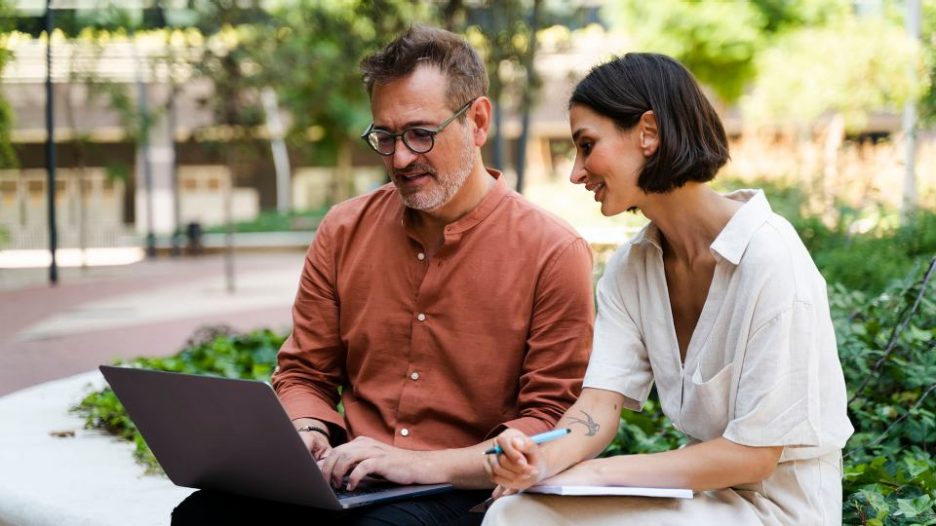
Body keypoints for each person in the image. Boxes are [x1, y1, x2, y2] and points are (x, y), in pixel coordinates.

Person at [171, 25, 594, 526]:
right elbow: (306, 371)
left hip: (462, 488)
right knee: (201, 517)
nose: (400, 158)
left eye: (420, 134)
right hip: (350, 473)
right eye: (385, 137)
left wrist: (421, 466)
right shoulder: (343, 228)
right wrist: (307, 429)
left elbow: (546, 420)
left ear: (477, 122)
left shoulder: (554, 250)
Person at [482, 53, 854, 525]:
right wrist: (538, 459)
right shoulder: (630, 269)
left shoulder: (772, 259)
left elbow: (754, 457)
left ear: (649, 132)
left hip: (781, 511)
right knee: (514, 513)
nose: (576, 172)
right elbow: (598, 406)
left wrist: (597, 475)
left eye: (587, 145)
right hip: (703, 501)